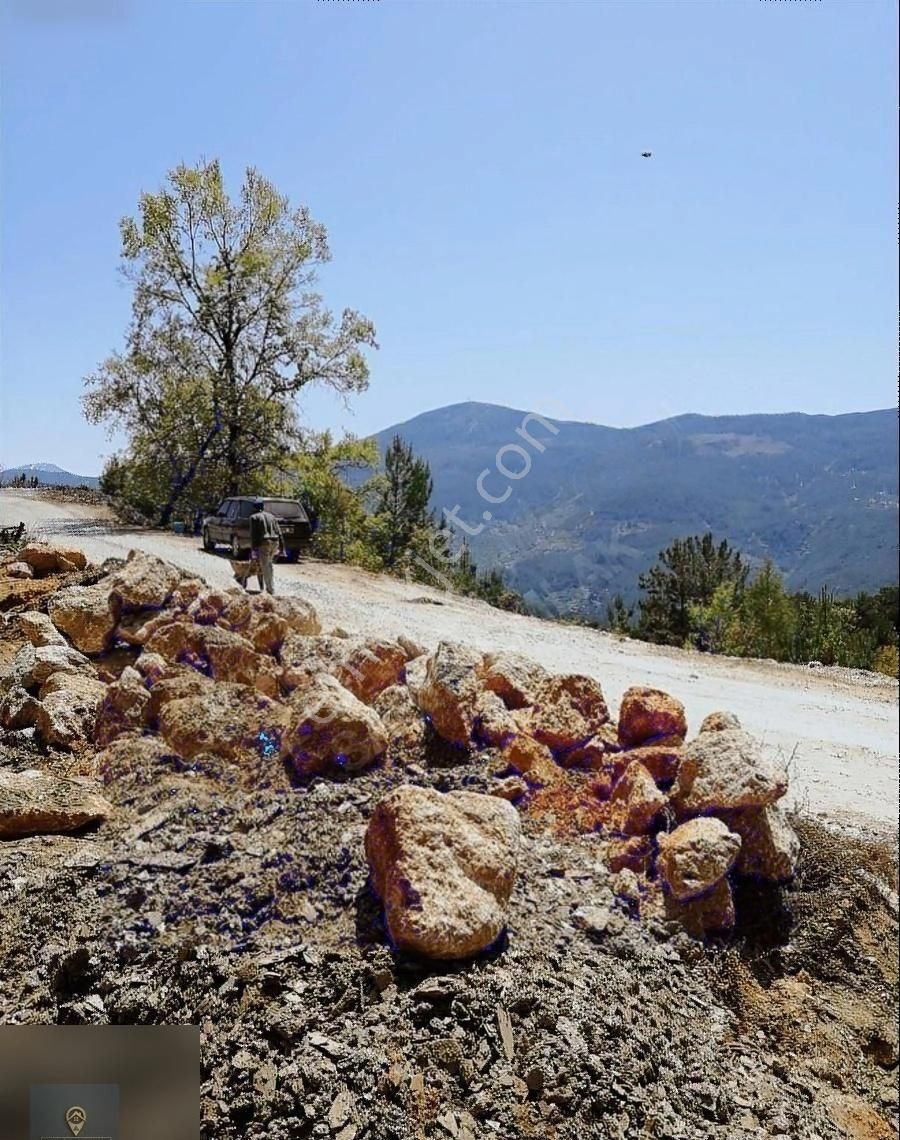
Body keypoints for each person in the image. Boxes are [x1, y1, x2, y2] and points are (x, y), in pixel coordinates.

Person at [249, 500, 285, 595]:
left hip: (264, 543)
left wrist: (253, 550)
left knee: (265, 566)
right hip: (275, 542)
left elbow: (254, 535)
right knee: (268, 564)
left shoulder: (254, 517)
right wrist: (282, 547)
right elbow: (279, 532)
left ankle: (270, 590)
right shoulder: (271, 516)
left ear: (254, 508)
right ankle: (268, 586)